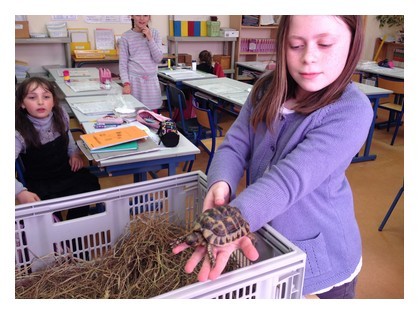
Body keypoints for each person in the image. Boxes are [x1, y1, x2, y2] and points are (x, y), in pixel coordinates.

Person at [173, 15, 372, 299]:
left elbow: (288, 180)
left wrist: (232, 220)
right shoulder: (267, 88)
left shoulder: (351, 110)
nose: (309, 58)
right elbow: (235, 145)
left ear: (353, 43)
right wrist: (221, 183)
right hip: (267, 242)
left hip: (323, 258)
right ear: (282, 43)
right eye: (295, 45)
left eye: (325, 44)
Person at [15, 77, 100, 220]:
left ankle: (75, 226)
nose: (41, 102)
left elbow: (68, 136)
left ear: (53, 101)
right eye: (32, 97)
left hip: (64, 172)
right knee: (47, 212)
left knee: (88, 185)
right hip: (40, 181)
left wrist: (74, 153)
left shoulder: (60, 115)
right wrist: (19, 192)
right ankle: (58, 229)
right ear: (22, 104)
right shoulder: (18, 132)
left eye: (46, 97)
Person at [119, 15, 163, 111]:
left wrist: (150, 38)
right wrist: (126, 83)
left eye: (145, 15)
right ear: (132, 16)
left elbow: (158, 58)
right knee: (135, 112)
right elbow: (123, 64)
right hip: (134, 82)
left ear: (149, 17)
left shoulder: (155, 33)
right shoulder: (126, 36)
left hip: (151, 82)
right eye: (138, 15)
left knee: (152, 116)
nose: (142, 18)